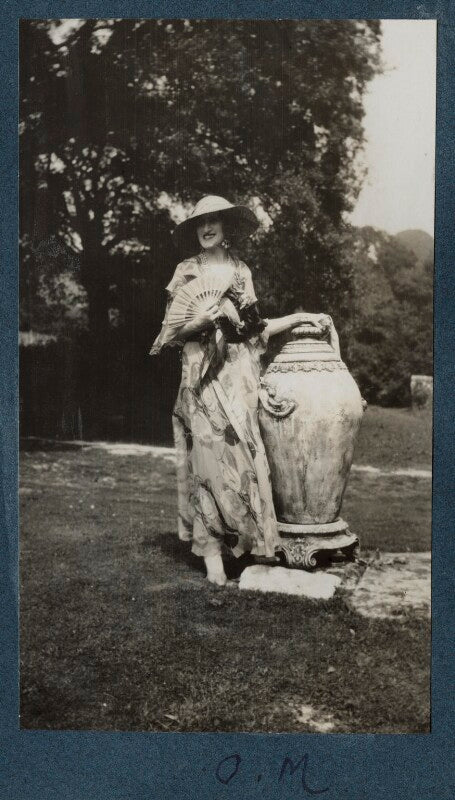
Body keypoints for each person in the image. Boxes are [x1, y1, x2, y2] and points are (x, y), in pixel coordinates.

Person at [151, 195, 327, 585]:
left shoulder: (242, 272)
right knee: (208, 462)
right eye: (200, 222)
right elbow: (169, 334)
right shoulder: (185, 271)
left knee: (244, 460)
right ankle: (211, 549)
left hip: (239, 375)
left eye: (214, 220)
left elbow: (255, 329)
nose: (206, 227)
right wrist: (200, 318)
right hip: (201, 376)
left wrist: (301, 316)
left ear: (226, 226)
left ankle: (243, 545)